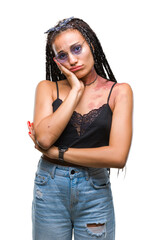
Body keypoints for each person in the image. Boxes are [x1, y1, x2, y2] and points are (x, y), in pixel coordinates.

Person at [27, 16, 133, 240]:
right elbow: (44, 140)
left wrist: (60, 153)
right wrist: (75, 91)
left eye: (77, 48)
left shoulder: (119, 92)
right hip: (50, 188)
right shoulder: (47, 88)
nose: (73, 60)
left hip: (94, 190)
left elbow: (117, 156)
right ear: (55, 61)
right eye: (63, 55)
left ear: (91, 45)